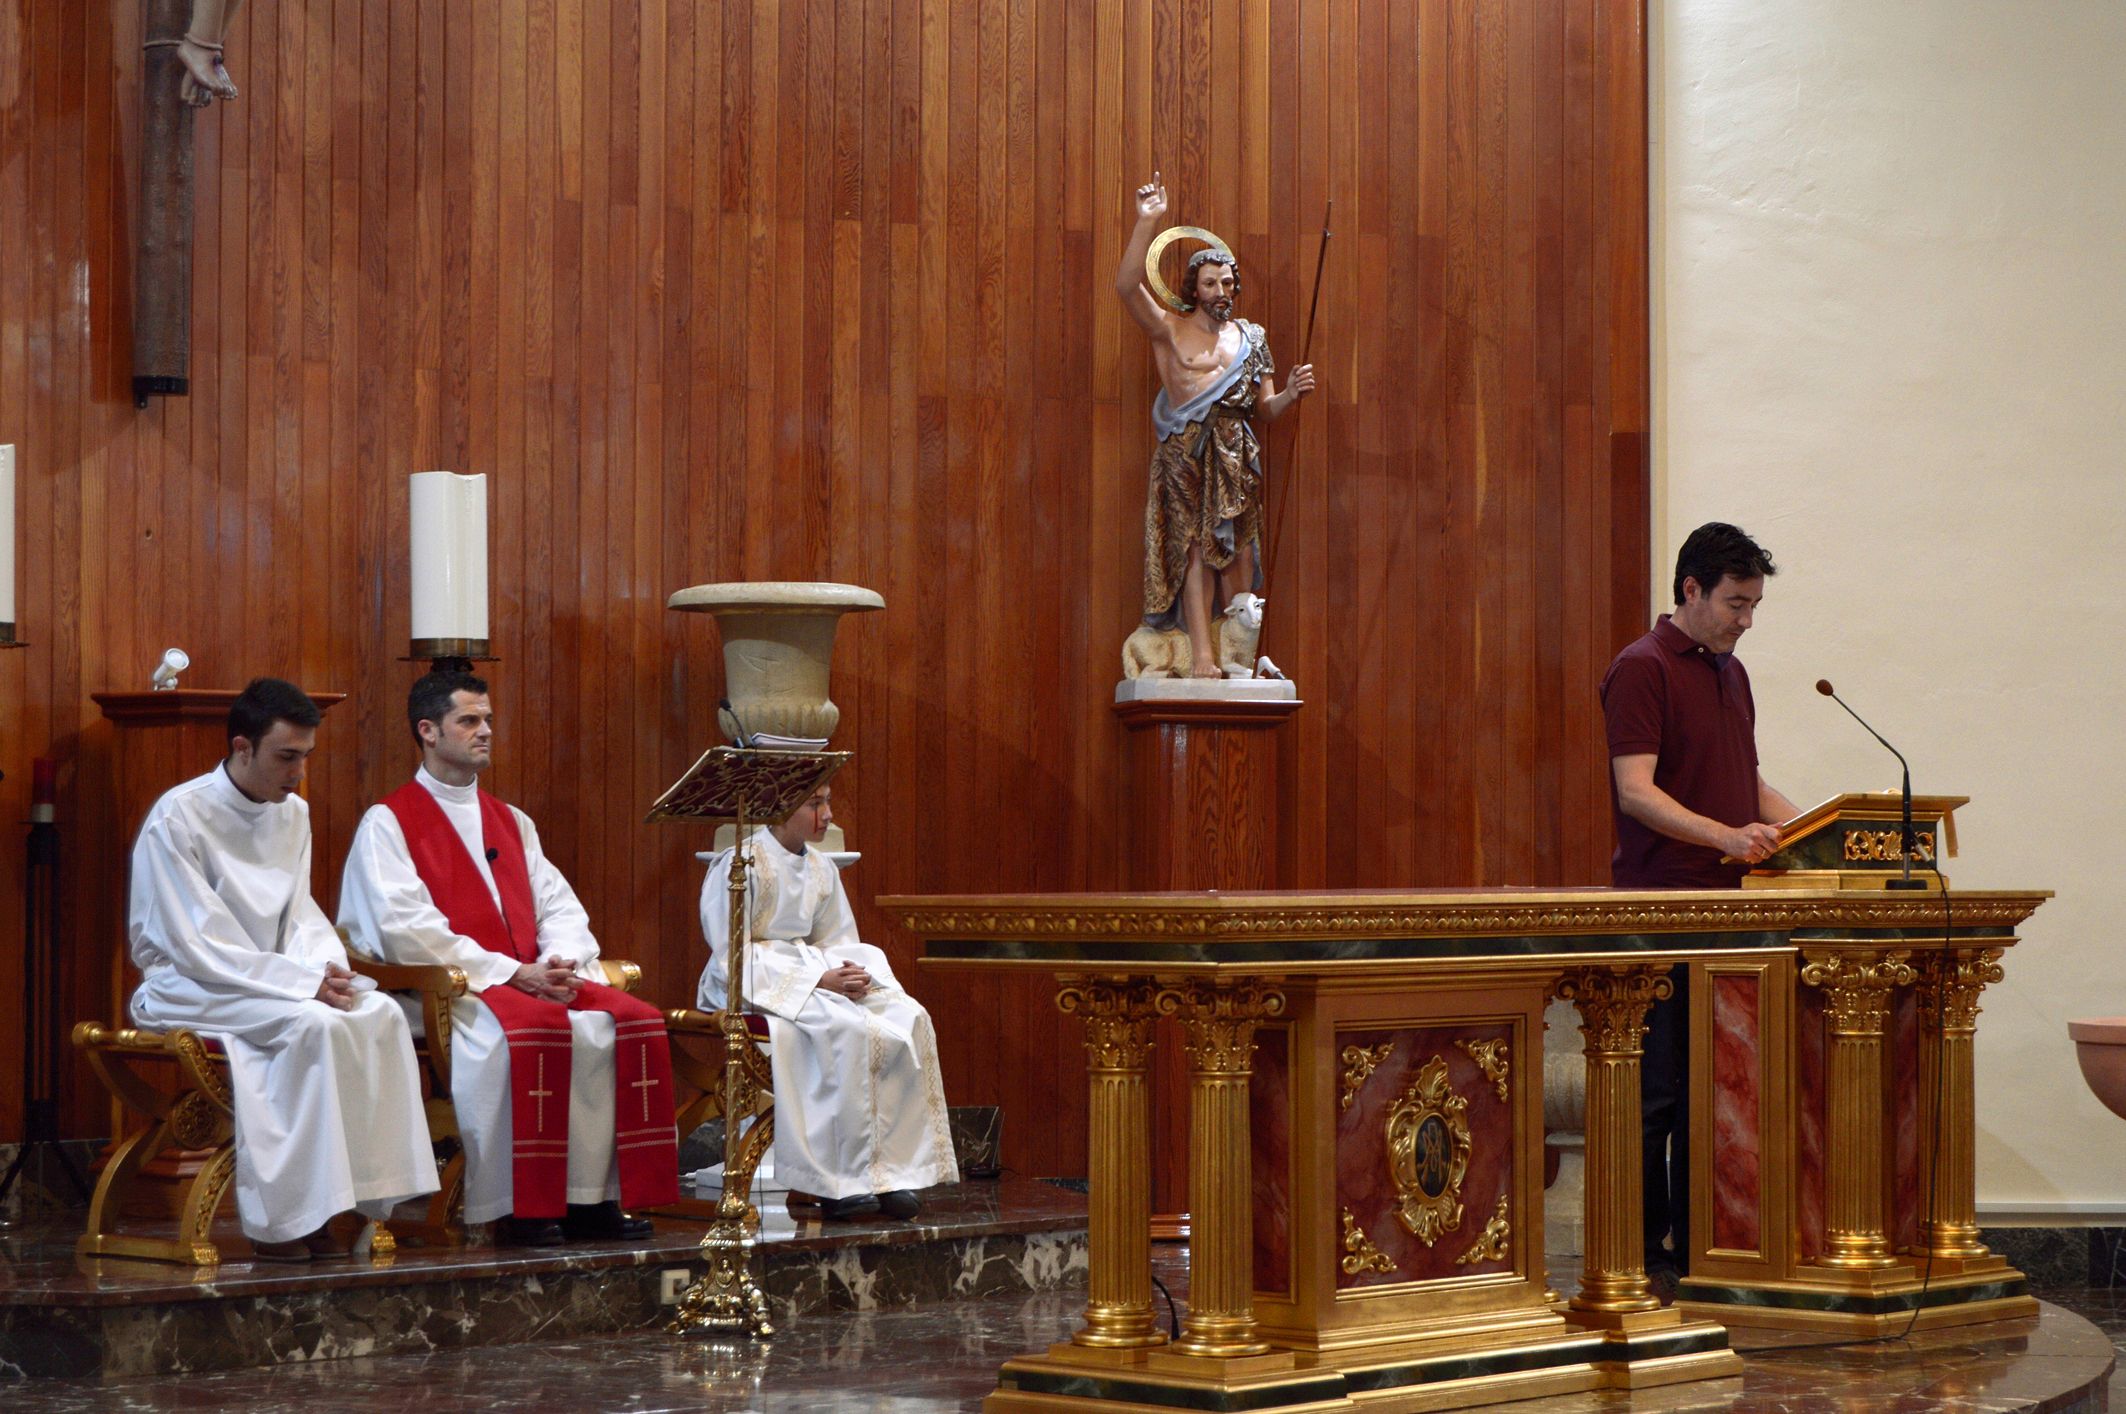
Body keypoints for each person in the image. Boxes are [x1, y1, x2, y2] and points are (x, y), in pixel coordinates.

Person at [338, 673, 679, 1246]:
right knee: (521, 1039)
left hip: (530, 979)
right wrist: (510, 973)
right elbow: (404, 928)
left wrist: (558, 962)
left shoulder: (512, 821)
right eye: (469, 720)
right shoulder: (390, 822)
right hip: (456, 990)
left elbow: (557, 904)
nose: (485, 731)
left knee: (613, 1024)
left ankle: (590, 1200)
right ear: (427, 731)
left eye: (488, 719)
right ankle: (522, 1205)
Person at [128, 678, 438, 1261]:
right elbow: (197, 940)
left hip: (268, 982)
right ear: (242, 748)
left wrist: (327, 972)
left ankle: (356, 1201)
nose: (299, 773)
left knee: (379, 1015)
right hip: (188, 983)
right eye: (286, 757)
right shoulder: (181, 815)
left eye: (306, 757)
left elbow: (297, 914)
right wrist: (302, 985)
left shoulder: (292, 814)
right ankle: (288, 1220)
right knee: (312, 1026)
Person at [1601, 521, 1801, 1299]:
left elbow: (1746, 784)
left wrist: (1831, 827)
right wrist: (1727, 837)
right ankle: (1643, 1257)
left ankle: (1702, 1254)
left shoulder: (1730, 672)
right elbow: (1636, 791)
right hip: (1661, 908)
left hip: (1731, 917)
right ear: (1690, 589)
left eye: (1753, 604)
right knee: (1656, 1095)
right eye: (1735, 602)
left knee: (1710, 1092)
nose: (1746, 619)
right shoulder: (1642, 668)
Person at [698, 783, 957, 1220]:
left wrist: (850, 976)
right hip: (753, 980)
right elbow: (731, 952)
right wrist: (817, 979)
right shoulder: (740, 863)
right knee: (847, 1031)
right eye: (814, 804)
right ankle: (836, 1182)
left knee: (908, 1017)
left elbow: (838, 939)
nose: (828, 815)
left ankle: (890, 1174)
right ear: (780, 808)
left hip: (814, 974)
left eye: (828, 802)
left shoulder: (821, 868)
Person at [1116, 171, 1314, 677]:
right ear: (1193, 288)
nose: (1221, 290)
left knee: (1240, 551)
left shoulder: (1251, 337)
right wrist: (1147, 222)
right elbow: (1125, 285)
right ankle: (1202, 656)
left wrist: (1289, 393)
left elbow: (1264, 410)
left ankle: (1240, 654)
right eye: (1210, 283)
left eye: (1227, 282)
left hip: (1236, 450)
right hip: (1186, 451)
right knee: (1196, 551)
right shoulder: (1169, 328)